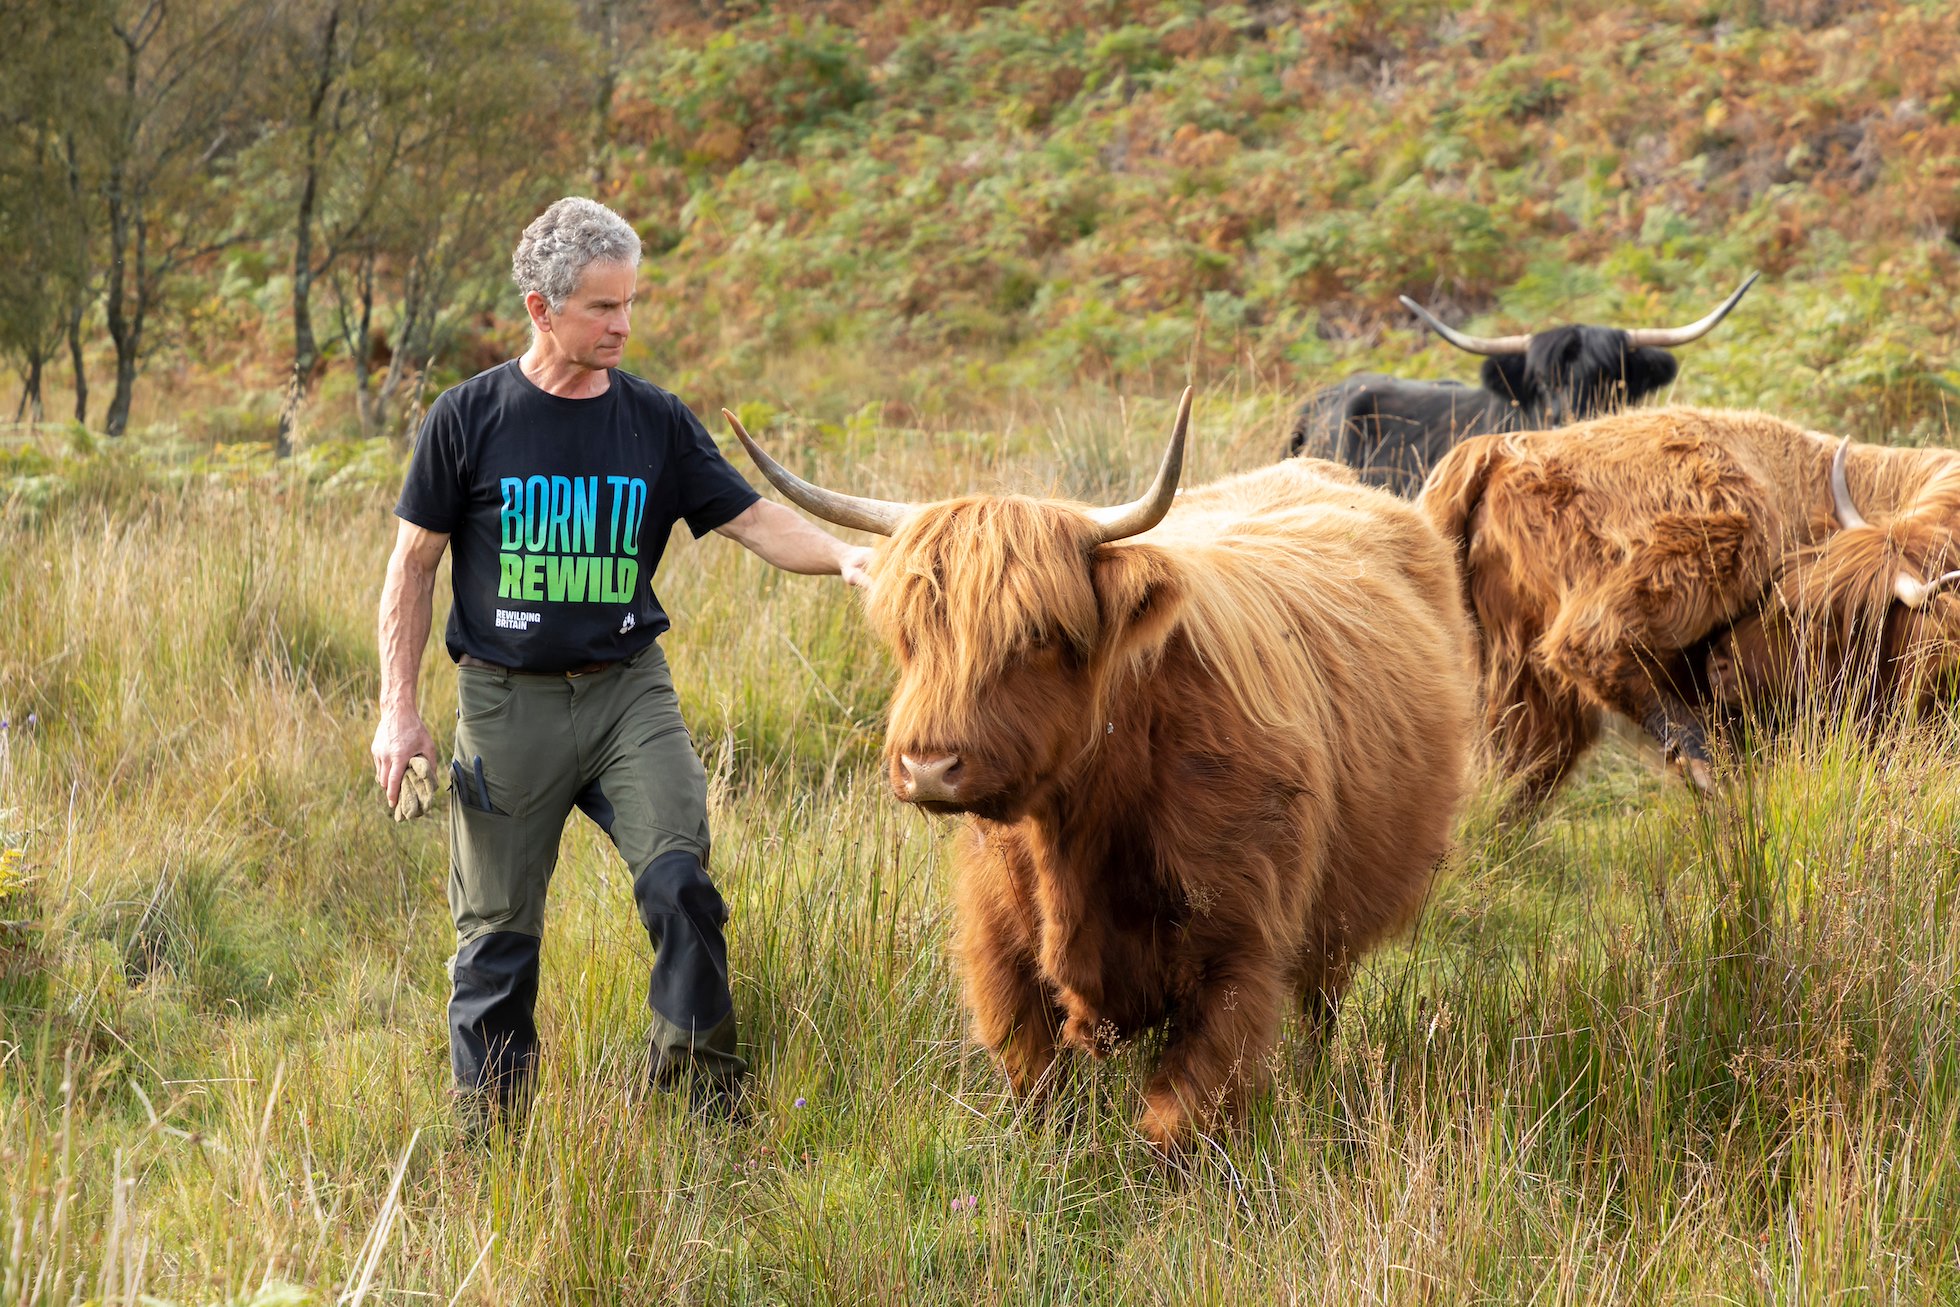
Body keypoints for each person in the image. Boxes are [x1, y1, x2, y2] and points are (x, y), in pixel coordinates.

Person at [370, 196, 871, 1132]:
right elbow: (414, 564)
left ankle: (696, 1110)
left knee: (682, 884)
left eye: (630, 301)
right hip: (505, 704)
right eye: (603, 307)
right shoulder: (466, 419)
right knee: (496, 941)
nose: (624, 324)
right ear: (541, 309)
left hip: (628, 696)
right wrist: (399, 709)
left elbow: (753, 517)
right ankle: (494, 1140)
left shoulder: (656, 422)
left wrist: (845, 558)